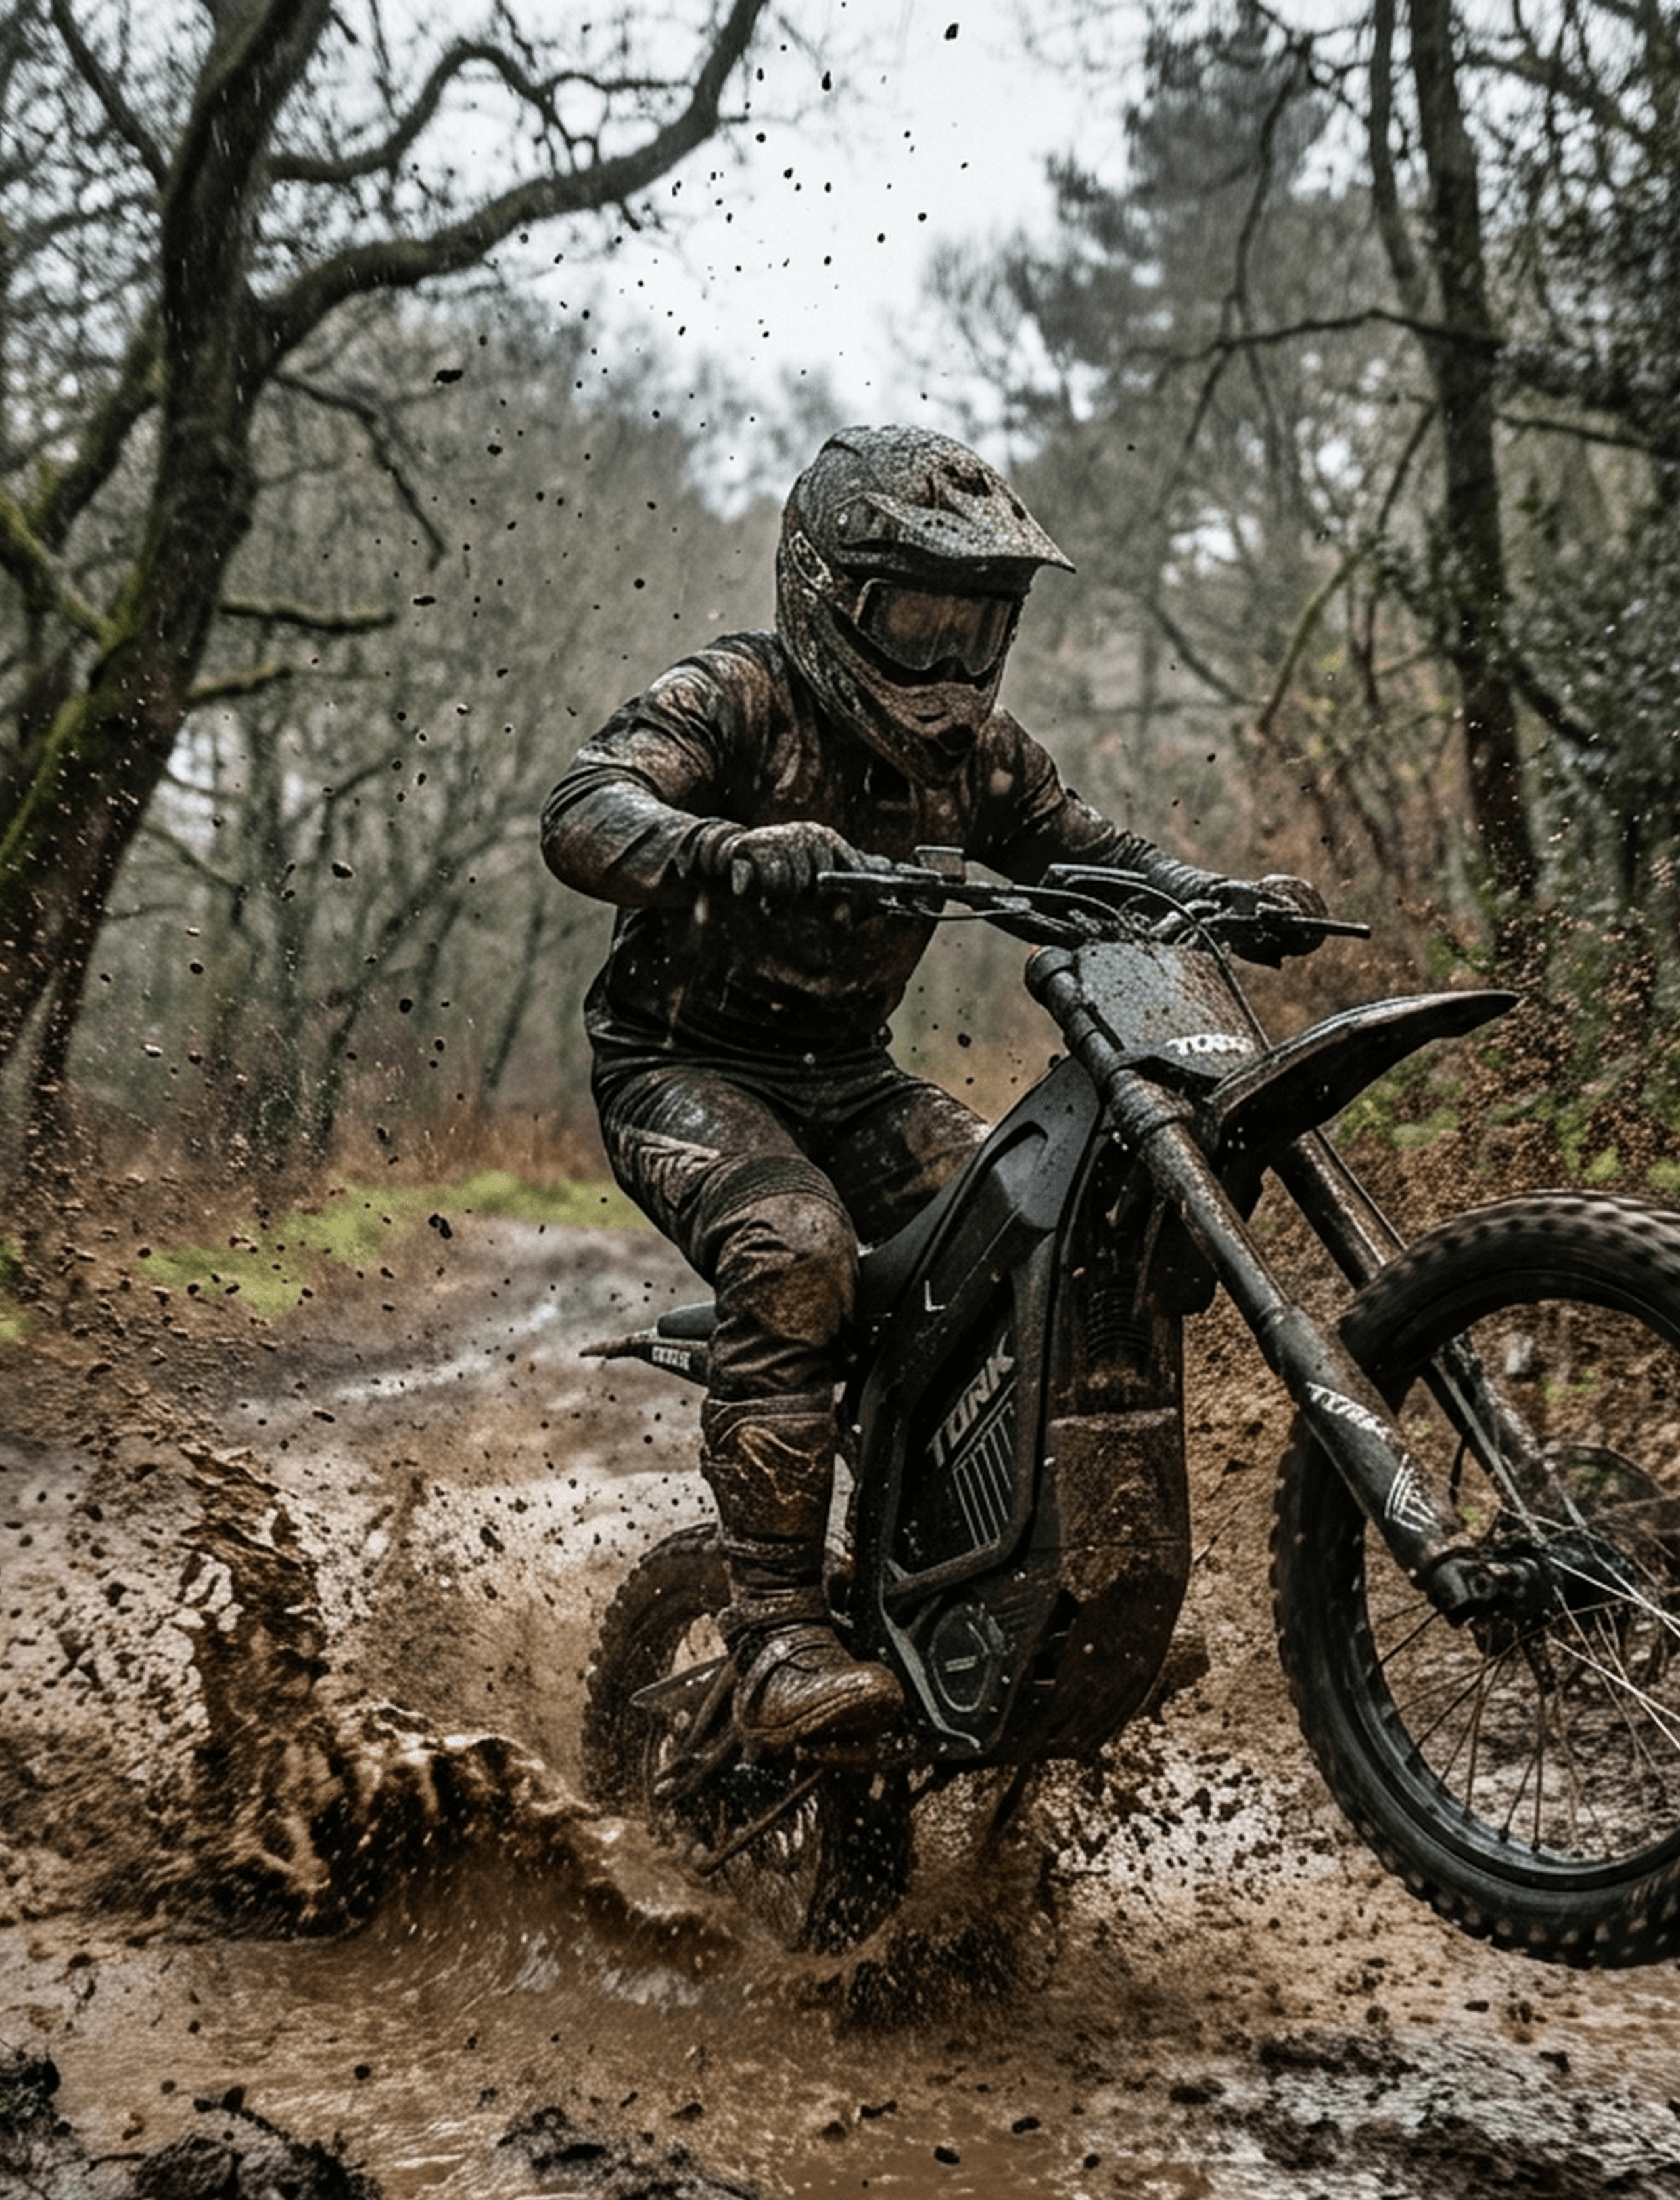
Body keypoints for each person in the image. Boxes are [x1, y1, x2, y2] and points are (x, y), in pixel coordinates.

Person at [542, 424, 1318, 1756]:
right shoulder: (736, 695)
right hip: (680, 1069)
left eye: (977, 628)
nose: (950, 665)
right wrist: (720, 850)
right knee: (796, 1249)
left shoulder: (983, 760)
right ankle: (776, 1637)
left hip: (851, 1079)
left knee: (1039, 1238)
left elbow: (1092, 859)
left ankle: (1016, 1589)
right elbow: (584, 808)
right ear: (831, 596)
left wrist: (1214, 899)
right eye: (918, 622)